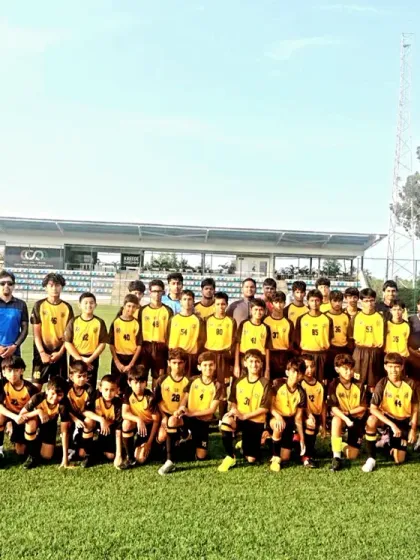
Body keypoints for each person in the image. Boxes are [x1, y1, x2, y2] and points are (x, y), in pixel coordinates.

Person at [362, 353, 418, 472]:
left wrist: (413, 429)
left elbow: (415, 408)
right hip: (387, 419)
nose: (393, 370)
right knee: (371, 420)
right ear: (385, 367)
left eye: (396, 366)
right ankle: (371, 458)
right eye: (390, 366)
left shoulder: (410, 384)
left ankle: (387, 442)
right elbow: (373, 408)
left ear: (402, 367)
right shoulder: (382, 383)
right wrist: (392, 425)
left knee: (399, 459)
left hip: (402, 421)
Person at [218, 350, 270, 472]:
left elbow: (264, 408)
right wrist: (234, 410)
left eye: (257, 361)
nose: (254, 364)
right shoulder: (238, 381)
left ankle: (245, 443)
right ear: (245, 363)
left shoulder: (265, 383)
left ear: (261, 364)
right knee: (226, 421)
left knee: (251, 459)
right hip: (240, 418)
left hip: (255, 421)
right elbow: (233, 401)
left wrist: (244, 416)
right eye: (251, 361)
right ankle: (230, 456)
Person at [177, 352, 224, 462]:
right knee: (174, 420)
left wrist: (191, 413)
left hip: (203, 422)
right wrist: (181, 408)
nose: (208, 368)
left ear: (215, 366)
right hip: (189, 419)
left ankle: (190, 442)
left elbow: (212, 410)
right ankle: (182, 439)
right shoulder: (193, 380)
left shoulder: (218, 386)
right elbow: (185, 398)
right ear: (199, 367)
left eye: (211, 365)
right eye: (205, 365)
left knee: (201, 457)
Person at [30, 272, 74, 390]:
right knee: (36, 387)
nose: (54, 288)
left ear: (62, 287)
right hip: (41, 352)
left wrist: (60, 353)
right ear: (46, 287)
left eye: (57, 285)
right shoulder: (39, 305)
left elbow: (68, 335)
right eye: (51, 285)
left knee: (59, 387)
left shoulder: (67, 307)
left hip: (59, 352)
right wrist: (42, 353)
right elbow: (36, 333)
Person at [20, 376, 71, 469]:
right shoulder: (37, 397)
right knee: (31, 423)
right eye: (52, 393)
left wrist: (65, 459)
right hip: (36, 421)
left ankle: (37, 440)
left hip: (49, 424)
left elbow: (64, 432)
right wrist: (38, 411)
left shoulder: (64, 404)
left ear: (64, 395)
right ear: (47, 391)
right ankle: (32, 456)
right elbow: (21, 416)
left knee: (47, 456)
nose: (55, 398)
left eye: (59, 395)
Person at [328, 354, 368, 472]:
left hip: (356, 418)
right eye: (345, 369)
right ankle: (336, 457)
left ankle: (338, 444)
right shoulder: (333, 385)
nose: (349, 372)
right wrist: (346, 418)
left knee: (352, 455)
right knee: (336, 419)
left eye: (351, 369)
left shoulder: (359, 385)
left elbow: (363, 407)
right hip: (343, 417)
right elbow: (333, 408)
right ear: (337, 369)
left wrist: (348, 412)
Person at [154, 348, 190, 475]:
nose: (177, 366)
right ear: (169, 363)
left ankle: (170, 460)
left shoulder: (188, 382)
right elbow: (158, 401)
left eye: (180, 363)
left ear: (184, 363)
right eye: (174, 363)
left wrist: (180, 413)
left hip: (182, 416)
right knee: (161, 436)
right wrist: (164, 416)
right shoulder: (162, 380)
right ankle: (165, 450)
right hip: (166, 414)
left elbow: (187, 403)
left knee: (173, 421)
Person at [269, 358, 306, 472]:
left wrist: (302, 439)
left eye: (299, 373)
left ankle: (269, 440)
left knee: (285, 457)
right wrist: (278, 417)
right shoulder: (277, 384)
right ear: (287, 372)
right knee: (278, 425)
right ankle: (275, 458)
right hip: (275, 416)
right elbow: (270, 406)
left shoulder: (301, 392)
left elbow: (298, 418)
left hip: (289, 421)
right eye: (293, 371)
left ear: (302, 375)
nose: (296, 375)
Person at [64, 292, 108, 388]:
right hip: (76, 358)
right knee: (74, 386)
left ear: (95, 305)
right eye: (86, 303)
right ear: (79, 305)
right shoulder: (74, 321)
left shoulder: (99, 322)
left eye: (91, 303)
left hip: (92, 358)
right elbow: (67, 343)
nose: (89, 305)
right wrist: (80, 359)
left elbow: (102, 344)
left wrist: (89, 360)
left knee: (90, 386)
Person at [204, 291, 236, 417]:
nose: (220, 307)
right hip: (210, 355)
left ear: (226, 305)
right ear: (214, 305)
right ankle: (207, 414)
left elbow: (234, 341)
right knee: (209, 384)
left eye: (223, 304)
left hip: (224, 357)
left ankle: (222, 417)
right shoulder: (207, 320)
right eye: (218, 304)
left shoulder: (231, 321)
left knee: (223, 387)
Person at [120, 367, 160, 469]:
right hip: (138, 425)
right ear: (129, 383)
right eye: (135, 382)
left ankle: (153, 448)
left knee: (141, 459)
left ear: (146, 383)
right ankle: (130, 458)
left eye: (142, 382)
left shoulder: (150, 397)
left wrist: (149, 443)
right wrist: (138, 419)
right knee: (126, 423)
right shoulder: (128, 392)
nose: (138, 386)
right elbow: (124, 413)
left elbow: (156, 421)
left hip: (149, 428)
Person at [0, 357, 37, 465]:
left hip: (25, 417)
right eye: (9, 370)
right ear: (3, 372)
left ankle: (32, 451)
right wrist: (14, 417)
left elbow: (38, 409)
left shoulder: (30, 388)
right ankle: (0, 449)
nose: (13, 374)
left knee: (21, 452)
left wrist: (25, 417)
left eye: (16, 370)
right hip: (13, 416)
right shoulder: (2, 384)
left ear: (22, 371)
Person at [349, 288, 385, 392]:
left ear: (375, 301)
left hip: (375, 352)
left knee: (374, 384)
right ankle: (359, 400)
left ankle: (372, 401)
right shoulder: (356, 317)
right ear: (361, 302)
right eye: (366, 301)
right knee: (358, 382)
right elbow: (350, 337)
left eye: (371, 300)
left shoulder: (381, 318)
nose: (369, 303)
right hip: (359, 352)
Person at [84, 375, 123, 468]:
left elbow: (118, 430)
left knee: (111, 456)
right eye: (106, 389)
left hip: (109, 430)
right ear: (100, 388)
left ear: (117, 390)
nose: (108, 393)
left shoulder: (119, 404)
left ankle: (97, 450)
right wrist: (101, 420)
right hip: (97, 426)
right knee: (88, 421)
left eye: (112, 390)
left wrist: (119, 455)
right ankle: (88, 454)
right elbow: (85, 411)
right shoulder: (95, 395)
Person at [139, 279, 173, 387]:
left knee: (158, 377)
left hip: (161, 347)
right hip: (145, 346)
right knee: (141, 376)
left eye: (159, 291)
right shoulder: (142, 310)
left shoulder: (168, 310)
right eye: (154, 291)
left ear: (163, 292)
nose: (157, 294)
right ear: (150, 292)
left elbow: (170, 332)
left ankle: (155, 396)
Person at [295, 289, 333, 382]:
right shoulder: (301, 319)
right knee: (305, 381)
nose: (314, 303)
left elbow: (330, 337)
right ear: (308, 302)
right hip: (306, 354)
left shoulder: (327, 319)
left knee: (321, 381)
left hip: (322, 355)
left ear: (321, 301)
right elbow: (297, 338)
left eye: (317, 300)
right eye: (312, 300)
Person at [66, 360, 96, 467]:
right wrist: (75, 419)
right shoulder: (66, 388)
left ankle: (88, 453)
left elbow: (88, 411)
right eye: (79, 376)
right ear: (71, 377)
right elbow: (64, 408)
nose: (82, 379)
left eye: (84, 376)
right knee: (65, 421)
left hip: (84, 418)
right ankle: (69, 445)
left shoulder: (90, 390)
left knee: (89, 421)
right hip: (70, 417)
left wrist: (80, 420)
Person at [168, 290, 205, 377]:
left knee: (190, 381)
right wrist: (173, 353)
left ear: (193, 301)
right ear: (180, 301)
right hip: (176, 358)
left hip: (191, 357)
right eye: (184, 299)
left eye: (189, 299)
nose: (187, 302)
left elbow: (201, 339)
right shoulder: (173, 319)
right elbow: (167, 337)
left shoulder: (198, 320)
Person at [109, 294, 142, 392]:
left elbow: (139, 345)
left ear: (137, 307)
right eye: (129, 306)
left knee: (130, 388)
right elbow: (111, 344)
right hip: (118, 358)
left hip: (132, 358)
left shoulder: (136, 323)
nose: (131, 309)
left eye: (134, 307)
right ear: (124, 306)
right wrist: (117, 362)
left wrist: (131, 364)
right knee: (116, 387)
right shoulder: (116, 322)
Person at [235, 299, 271, 379]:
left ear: (264, 311)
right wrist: (236, 365)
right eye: (256, 309)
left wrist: (267, 369)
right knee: (242, 382)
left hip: (259, 359)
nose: (258, 312)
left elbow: (267, 348)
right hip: (244, 358)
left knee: (258, 382)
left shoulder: (266, 327)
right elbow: (237, 344)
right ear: (251, 310)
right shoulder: (244, 324)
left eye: (261, 310)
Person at [301, 354, 326, 467]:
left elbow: (323, 406)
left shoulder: (320, 385)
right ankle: (306, 457)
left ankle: (305, 450)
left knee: (313, 426)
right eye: (306, 367)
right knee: (310, 423)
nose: (309, 370)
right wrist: (308, 415)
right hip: (302, 416)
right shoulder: (300, 383)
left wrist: (324, 425)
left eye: (312, 366)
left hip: (316, 416)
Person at [0, 270, 28, 365]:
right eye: (2, 283)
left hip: (13, 351)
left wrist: (14, 346)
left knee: (12, 375)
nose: (6, 286)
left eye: (10, 283)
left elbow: (25, 329)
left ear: (14, 286)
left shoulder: (21, 304)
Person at [264, 291, 294, 380]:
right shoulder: (265, 321)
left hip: (284, 355)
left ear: (284, 303)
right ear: (272, 304)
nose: (279, 305)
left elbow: (291, 342)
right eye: (276, 302)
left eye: (281, 302)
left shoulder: (289, 323)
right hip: (270, 355)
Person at [325, 290, 351, 380]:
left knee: (343, 376)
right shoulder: (325, 316)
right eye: (335, 301)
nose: (337, 303)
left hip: (343, 349)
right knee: (329, 377)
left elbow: (349, 335)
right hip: (330, 350)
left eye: (339, 301)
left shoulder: (346, 316)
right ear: (330, 301)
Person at [407, 297, 420, 385]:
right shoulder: (411, 320)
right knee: (414, 382)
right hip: (414, 356)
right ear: (418, 305)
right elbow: (406, 338)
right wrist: (413, 351)